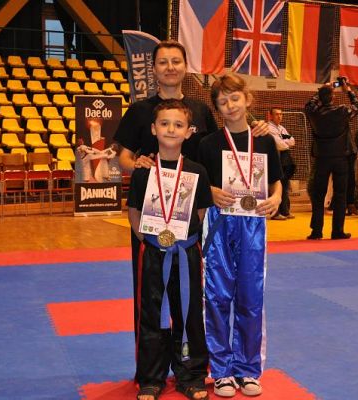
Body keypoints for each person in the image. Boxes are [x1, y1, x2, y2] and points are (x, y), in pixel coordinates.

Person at [114, 39, 269, 336]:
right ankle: (151, 359)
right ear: (154, 68)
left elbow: (224, 148)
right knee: (149, 291)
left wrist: (256, 129)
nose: (170, 67)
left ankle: (188, 354)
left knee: (190, 288)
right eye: (163, 62)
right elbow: (123, 157)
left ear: (186, 67)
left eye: (176, 61)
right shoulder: (139, 111)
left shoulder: (200, 110)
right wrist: (137, 166)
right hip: (152, 214)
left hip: (193, 215)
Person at [198, 72, 282, 398]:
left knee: (250, 296)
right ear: (217, 108)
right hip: (219, 223)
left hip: (253, 224)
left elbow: (275, 180)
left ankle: (247, 368)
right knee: (217, 296)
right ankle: (221, 370)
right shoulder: (208, 144)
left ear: (247, 99)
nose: (230, 105)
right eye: (223, 102)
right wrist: (210, 191)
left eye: (235, 98)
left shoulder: (264, 140)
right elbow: (198, 182)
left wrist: (276, 198)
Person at [128, 99, 213, 400]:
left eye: (178, 124)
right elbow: (134, 212)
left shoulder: (197, 171)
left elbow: (200, 212)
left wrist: (182, 240)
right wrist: (150, 241)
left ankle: (191, 375)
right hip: (153, 253)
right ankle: (152, 377)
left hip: (186, 252)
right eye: (164, 123)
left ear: (189, 132)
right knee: (152, 314)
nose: (171, 129)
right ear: (153, 129)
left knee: (189, 312)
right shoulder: (143, 172)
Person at [305, 79, 358, 240]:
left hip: (322, 158)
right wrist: (348, 90)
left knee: (318, 195)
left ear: (320, 98)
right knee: (340, 195)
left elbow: (309, 105)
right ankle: (338, 231)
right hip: (340, 158)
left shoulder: (314, 113)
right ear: (333, 97)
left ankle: (316, 231)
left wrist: (323, 89)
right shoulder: (342, 111)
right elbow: (357, 106)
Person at [268, 107, 296, 220]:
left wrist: (285, 143)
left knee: (285, 185)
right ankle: (275, 213)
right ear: (271, 116)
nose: (279, 116)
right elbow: (279, 145)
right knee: (276, 186)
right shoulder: (269, 128)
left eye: (281, 114)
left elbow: (292, 140)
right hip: (275, 160)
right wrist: (286, 143)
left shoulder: (281, 128)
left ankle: (285, 211)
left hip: (284, 161)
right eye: (277, 114)